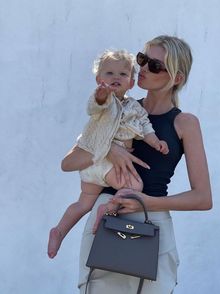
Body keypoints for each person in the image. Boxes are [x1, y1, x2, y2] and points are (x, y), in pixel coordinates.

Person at [61, 35, 212, 294]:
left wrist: (147, 202)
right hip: (105, 219)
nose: (142, 69)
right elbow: (68, 162)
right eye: (142, 60)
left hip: (151, 222)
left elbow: (202, 198)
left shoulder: (185, 123)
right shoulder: (114, 108)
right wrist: (110, 148)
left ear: (176, 78)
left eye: (154, 66)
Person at [47, 49, 169, 259]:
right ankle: (107, 209)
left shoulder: (135, 108)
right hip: (101, 161)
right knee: (135, 187)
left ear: (131, 82)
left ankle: (59, 231)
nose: (115, 78)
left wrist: (156, 142)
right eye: (109, 74)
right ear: (99, 80)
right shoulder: (104, 102)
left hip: (96, 168)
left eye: (122, 74)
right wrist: (101, 96)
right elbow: (94, 107)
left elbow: (146, 127)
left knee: (83, 204)